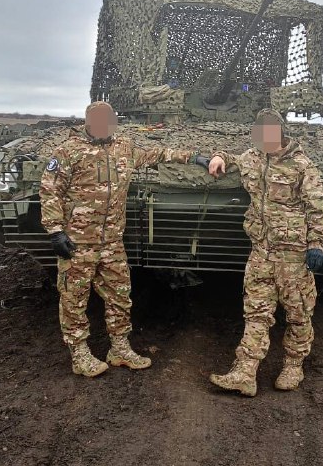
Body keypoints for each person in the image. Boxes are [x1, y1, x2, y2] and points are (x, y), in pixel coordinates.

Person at [40, 101, 209, 377]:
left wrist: (194, 157)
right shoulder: (68, 151)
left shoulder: (125, 148)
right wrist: (55, 230)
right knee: (74, 299)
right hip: (78, 243)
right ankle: (79, 354)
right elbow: (49, 191)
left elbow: (158, 153)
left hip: (112, 242)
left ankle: (119, 348)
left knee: (120, 295)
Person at [208, 108, 323, 396]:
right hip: (261, 250)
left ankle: (293, 365)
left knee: (298, 312)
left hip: (293, 255)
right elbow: (232, 158)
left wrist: (316, 244)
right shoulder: (252, 157)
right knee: (256, 311)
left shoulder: (301, 165)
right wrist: (219, 157)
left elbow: (318, 206)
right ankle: (245, 372)